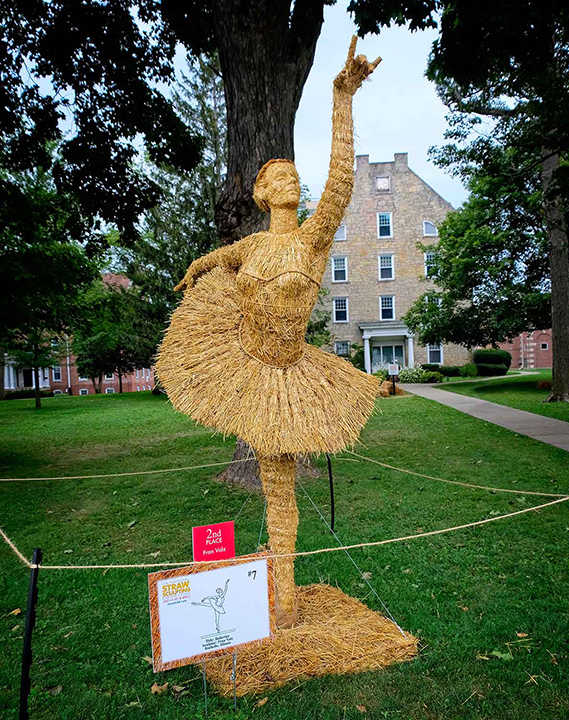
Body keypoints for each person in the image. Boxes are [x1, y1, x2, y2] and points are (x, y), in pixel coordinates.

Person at [157, 37, 381, 628]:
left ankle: (283, 594)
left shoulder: (311, 241)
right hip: (245, 366)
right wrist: (194, 270)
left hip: (292, 374)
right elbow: (215, 260)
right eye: (280, 177)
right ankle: (276, 593)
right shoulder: (252, 245)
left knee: (282, 486)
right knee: (272, 483)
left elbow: (340, 184)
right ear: (261, 194)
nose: (291, 181)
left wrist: (342, 99)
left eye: (293, 175)